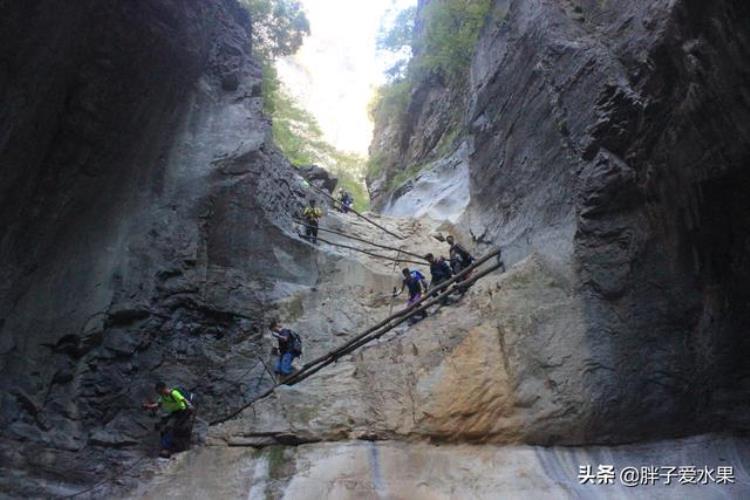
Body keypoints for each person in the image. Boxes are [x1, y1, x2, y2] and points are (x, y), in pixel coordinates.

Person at [143, 382, 194, 458]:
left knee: (172, 428)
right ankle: (166, 447)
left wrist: (190, 407)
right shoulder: (163, 397)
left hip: (184, 411)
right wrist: (148, 407)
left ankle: (168, 449)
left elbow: (183, 400)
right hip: (175, 412)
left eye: (159, 391)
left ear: (163, 388)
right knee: (164, 427)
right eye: (157, 391)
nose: (158, 393)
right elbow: (158, 405)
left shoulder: (173, 393)